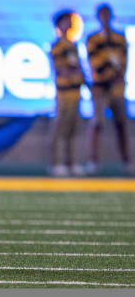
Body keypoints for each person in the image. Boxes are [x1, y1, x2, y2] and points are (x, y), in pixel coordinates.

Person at [85, 4, 132, 175]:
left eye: (107, 14)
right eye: (102, 15)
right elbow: (95, 63)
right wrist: (109, 71)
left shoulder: (120, 38)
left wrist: (116, 72)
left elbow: (124, 60)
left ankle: (127, 160)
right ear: (98, 17)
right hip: (100, 88)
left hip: (118, 88)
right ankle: (93, 160)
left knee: (121, 124)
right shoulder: (93, 39)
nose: (105, 18)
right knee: (96, 124)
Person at [48, 11, 85, 177]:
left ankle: (70, 161)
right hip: (63, 93)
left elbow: (77, 68)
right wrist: (73, 72)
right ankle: (56, 162)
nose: (70, 23)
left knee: (72, 129)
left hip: (75, 92)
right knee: (60, 128)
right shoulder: (58, 46)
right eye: (66, 21)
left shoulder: (73, 45)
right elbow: (62, 69)